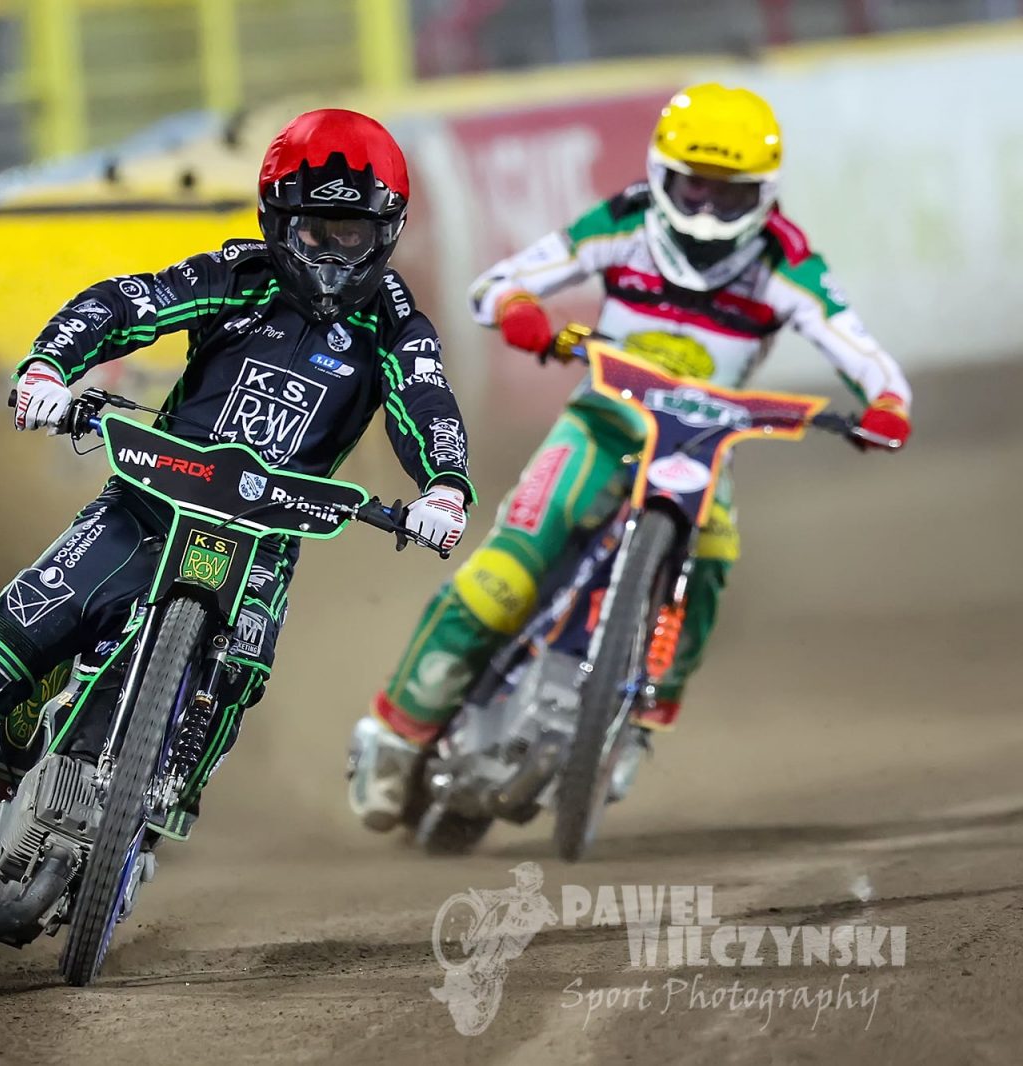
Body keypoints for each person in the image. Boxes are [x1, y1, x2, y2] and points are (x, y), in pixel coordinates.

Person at [0, 108, 477, 923]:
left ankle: (144, 823)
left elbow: (427, 402)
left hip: (262, 547)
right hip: (142, 510)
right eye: (316, 232)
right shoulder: (236, 275)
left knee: (231, 684)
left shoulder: (398, 327)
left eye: (353, 234)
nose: (335, 256)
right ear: (276, 221)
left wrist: (444, 487)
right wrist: (50, 367)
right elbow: (125, 303)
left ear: (387, 231)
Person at [347, 83, 913, 830]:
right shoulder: (625, 221)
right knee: (503, 573)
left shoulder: (788, 264)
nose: (706, 212)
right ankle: (394, 734)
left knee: (712, 562)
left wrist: (886, 405)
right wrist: (522, 313)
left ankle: (638, 726)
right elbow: (497, 286)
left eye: (729, 194)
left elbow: (866, 356)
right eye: (693, 187)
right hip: (602, 423)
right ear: (660, 174)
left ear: (765, 194)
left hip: (702, 447)